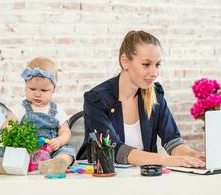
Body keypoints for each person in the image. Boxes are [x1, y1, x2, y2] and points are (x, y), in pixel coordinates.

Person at [77, 30, 205, 168]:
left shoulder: (155, 95)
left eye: (157, 65)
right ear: (125, 61)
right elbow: (114, 150)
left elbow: (172, 141)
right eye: (146, 64)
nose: (154, 73)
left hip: (142, 179)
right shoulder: (96, 99)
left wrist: (194, 156)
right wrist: (167, 160)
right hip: (102, 179)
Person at [0, 57, 75, 174]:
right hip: (24, 152)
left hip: (50, 151)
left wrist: (59, 141)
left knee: (68, 150)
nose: (37, 94)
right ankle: (5, 164)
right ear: (25, 85)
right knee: (1, 151)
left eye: (44, 90)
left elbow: (66, 132)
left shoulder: (57, 111)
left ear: (53, 90)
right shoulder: (20, 109)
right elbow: (6, 127)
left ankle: (57, 163)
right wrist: (10, 135)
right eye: (32, 89)